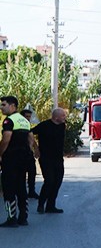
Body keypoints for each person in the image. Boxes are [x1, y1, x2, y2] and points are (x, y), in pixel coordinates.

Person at [0, 96, 37, 227]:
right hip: (24, 158)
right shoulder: (24, 121)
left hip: (11, 158)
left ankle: (11, 218)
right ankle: (23, 217)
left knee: (9, 189)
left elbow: (6, 140)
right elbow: (30, 140)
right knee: (21, 187)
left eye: (4, 105)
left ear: (12, 106)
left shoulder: (9, 121)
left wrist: (0, 154)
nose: (1, 107)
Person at [31, 108, 67, 214]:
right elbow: (29, 133)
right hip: (46, 159)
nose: (65, 117)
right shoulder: (44, 126)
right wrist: (35, 148)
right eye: (63, 116)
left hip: (58, 159)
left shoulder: (62, 125)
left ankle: (51, 206)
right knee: (49, 181)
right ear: (56, 117)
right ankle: (41, 204)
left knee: (57, 182)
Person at [20, 109, 39, 199]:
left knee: (32, 172)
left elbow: (31, 138)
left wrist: (36, 149)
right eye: (26, 116)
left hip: (29, 153)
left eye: (29, 116)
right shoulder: (18, 125)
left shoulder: (27, 125)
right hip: (20, 153)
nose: (28, 118)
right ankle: (21, 193)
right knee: (21, 174)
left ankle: (31, 191)